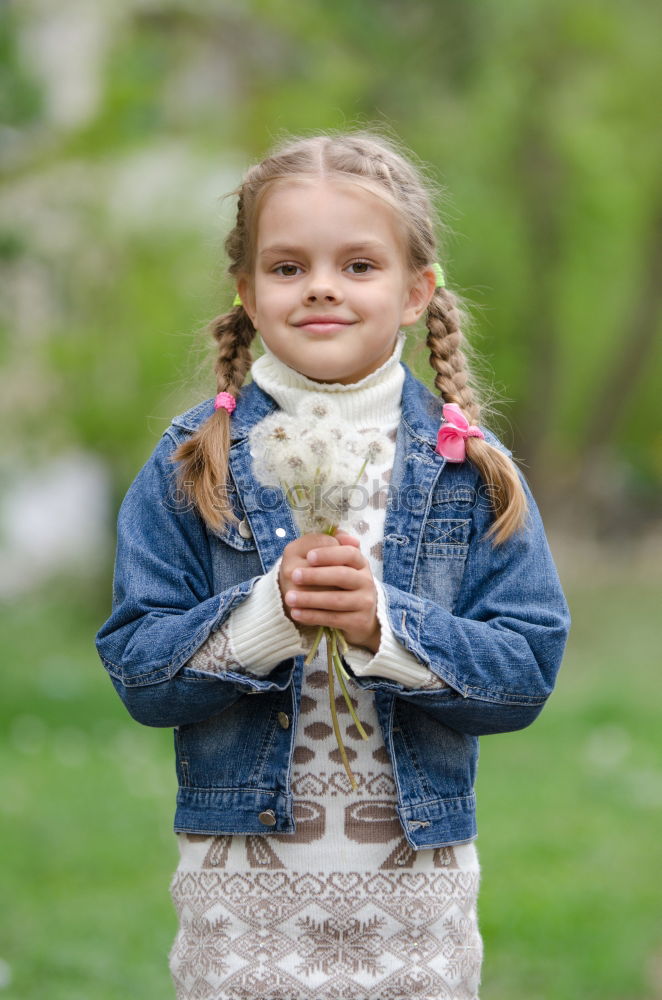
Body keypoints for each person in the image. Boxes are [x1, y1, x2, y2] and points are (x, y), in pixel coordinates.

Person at [95, 131, 571, 1000]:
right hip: (245, 898)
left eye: (358, 264)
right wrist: (266, 615)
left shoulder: (471, 469)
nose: (321, 286)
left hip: (410, 901)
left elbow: (526, 673)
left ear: (416, 291)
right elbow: (139, 670)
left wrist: (381, 627)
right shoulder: (190, 462)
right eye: (287, 267)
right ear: (246, 290)